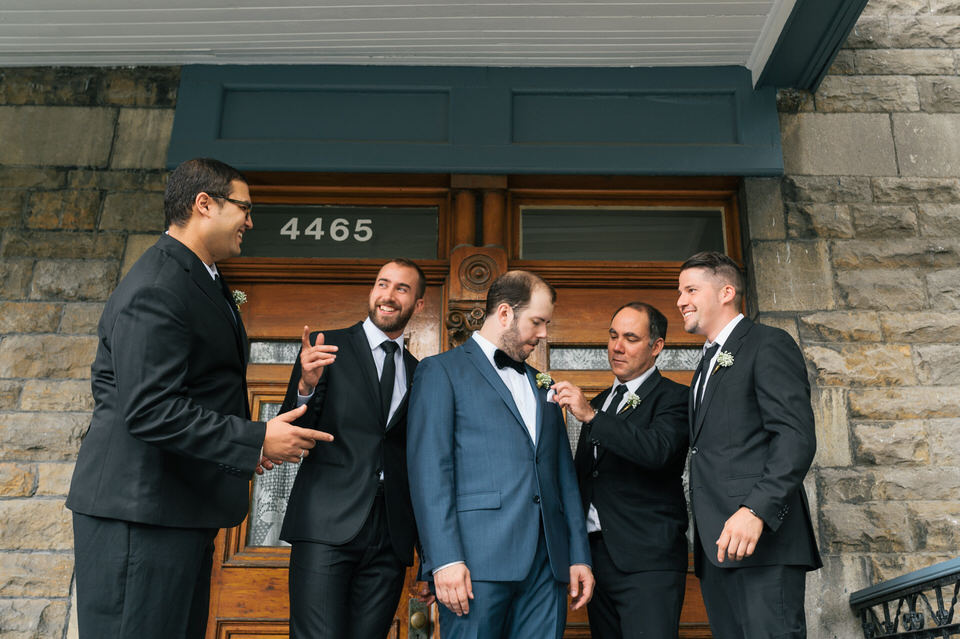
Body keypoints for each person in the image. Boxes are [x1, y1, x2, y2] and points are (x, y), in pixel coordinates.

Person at [66, 158, 332, 639]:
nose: (250, 221)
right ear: (204, 204)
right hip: (140, 516)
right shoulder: (157, 286)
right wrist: (254, 438)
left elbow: (200, 392)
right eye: (244, 208)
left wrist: (242, 449)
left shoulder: (203, 278)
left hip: (176, 511)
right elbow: (150, 409)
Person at [407, 270, 594, 639]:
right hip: (475, 564)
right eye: (537, 322)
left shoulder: (544, 385)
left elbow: (563, 477)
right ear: (505, 313)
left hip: (547, 566)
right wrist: (444, 559)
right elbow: (430, 472)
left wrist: (577, 554)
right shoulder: (440, 372)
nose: (543, 334)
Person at [279, 258, 430, 638]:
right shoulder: (326, 349)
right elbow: (290, 433)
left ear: (419, 305)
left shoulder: (422, 373)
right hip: (326, 524)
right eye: (383, 284)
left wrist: (427, 556)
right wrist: (306, 386)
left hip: (391, 537)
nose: (389, 295)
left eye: (402, 288)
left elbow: (424, 465)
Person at [677, 251, 822, 639]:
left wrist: (755, 510)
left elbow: (795, 437)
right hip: (718, 548)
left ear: (726, 292)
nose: (680, 301)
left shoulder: (767, 344)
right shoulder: (705, 365)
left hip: (763, 541)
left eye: (691, 289)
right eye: (679, 291)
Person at [552, 302, 689, 639]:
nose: (617, 346)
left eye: (630, 338)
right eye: (613, 336)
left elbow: (657, 451)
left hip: (648, 561)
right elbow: (585, 478)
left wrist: (592, 418)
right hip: (596, 560)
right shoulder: (598, 402)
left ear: (656, 347)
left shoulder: (675, 397)